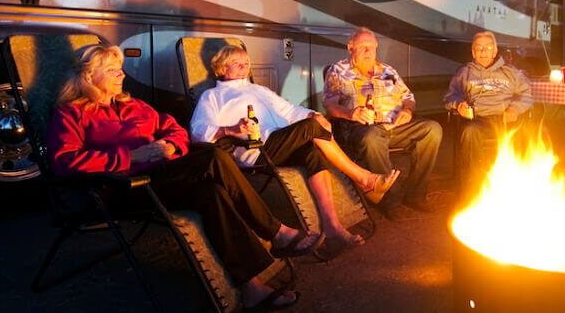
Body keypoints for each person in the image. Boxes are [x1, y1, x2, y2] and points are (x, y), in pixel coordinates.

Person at [48, 44, 318, 311]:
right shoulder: (71, 114)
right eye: (112, 71)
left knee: (211, 192)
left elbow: (175, 129)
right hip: (123, 189)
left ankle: (252, 287)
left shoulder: (134, 105)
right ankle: (276, 232)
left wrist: (170, 146)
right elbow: (64, 162)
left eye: (120, 70)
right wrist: (132, 156)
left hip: (163, 178)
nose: (122, 75)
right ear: (88, 77)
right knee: (213, 157)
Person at [189, 45, 399, 251]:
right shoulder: (213, 97)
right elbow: (198, 130)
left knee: (312, 150)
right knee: (311, 128)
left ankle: (332, 226)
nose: (244, 67)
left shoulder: (258, 90)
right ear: (222, 68)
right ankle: (364, 179)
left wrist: (312, 114)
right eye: (237, 63)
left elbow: (289, 110)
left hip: (278, 142)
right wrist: (231, 129)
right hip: (255, 150)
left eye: (246, 63)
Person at [323, 27, 443, 217]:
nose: (368, 52)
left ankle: (415, 194)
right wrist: (350, 113)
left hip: (394, 127)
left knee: (432, 129)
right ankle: (391, 198)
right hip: (362, 129)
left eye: (372, 47)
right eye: (363, 47)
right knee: (372, 137)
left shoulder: (388, 70)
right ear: (350, 47)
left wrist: (408, 110)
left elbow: (409, 97)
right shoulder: (338, 70)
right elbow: (329, 105)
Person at [443, 31, 533, 189]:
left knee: (530, 132)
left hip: (506, 119)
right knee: (470, 132)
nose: (483, 51)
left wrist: (515, 109)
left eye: (488, 47)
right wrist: (459, 104)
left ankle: (521, 185)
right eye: (479, 48)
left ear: (495, 51)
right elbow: (450, 97)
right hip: (478, 120)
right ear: (473, 52)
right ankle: (473, 188)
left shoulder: (510, 72)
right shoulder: (464, 72)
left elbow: (527, 94)